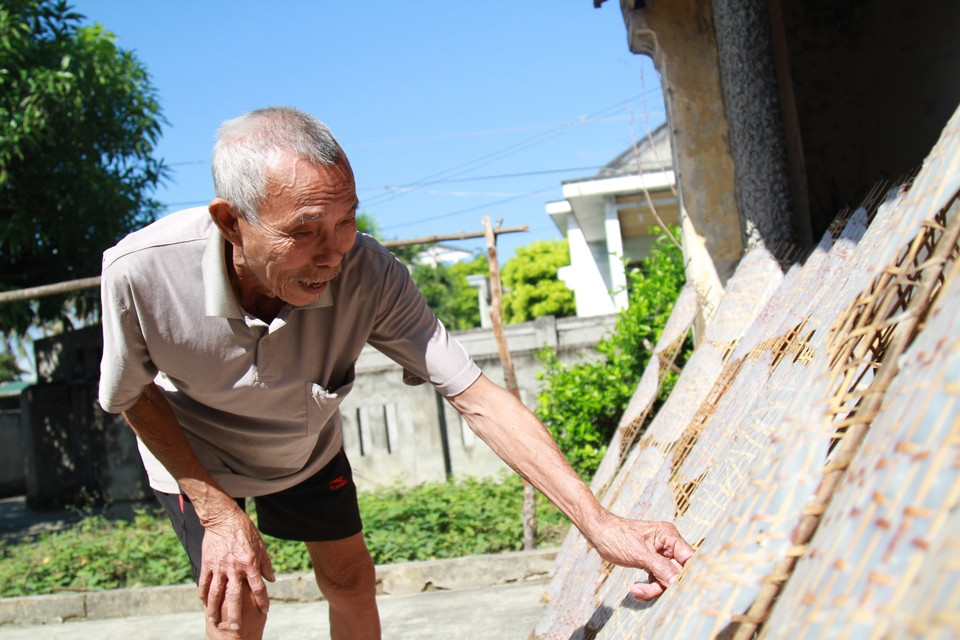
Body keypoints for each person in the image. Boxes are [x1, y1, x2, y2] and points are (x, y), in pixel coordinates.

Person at [98, 106, 694, 640]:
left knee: (352, 580)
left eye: (345, 221)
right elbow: (131, 394)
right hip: (197, 457)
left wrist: (598, 522)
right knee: (239, 605)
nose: (332, 254)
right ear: (231, 222)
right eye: (304, 232)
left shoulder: (371, 274)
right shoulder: (139, 274)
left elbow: (478, 397)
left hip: (302, 447)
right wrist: (216, 510)